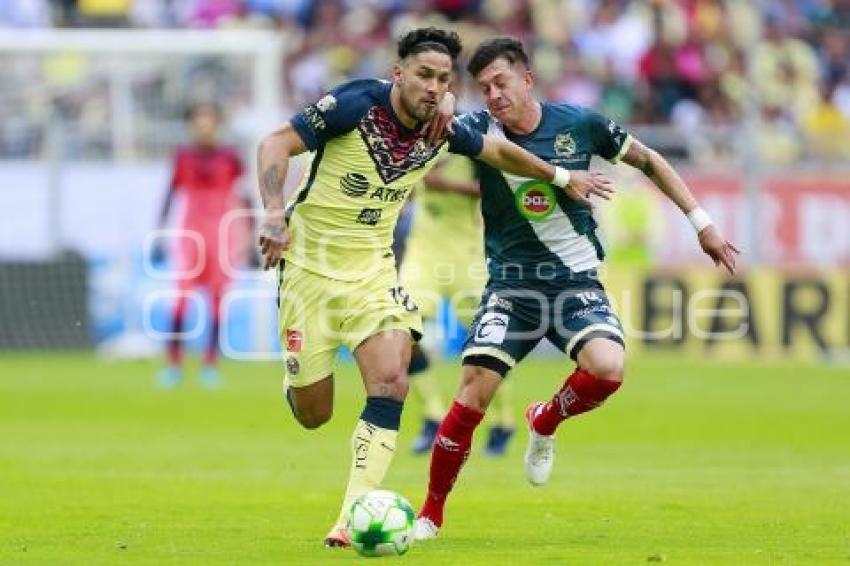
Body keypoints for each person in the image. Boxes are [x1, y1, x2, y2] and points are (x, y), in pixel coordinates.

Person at [255, 28, 613, 548]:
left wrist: (561, 177)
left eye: (444, 79)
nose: (434, 86)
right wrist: (271, 213)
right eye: (424, 74)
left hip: (373, 274)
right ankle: (298, 381)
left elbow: (500, 153)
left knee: (392, 379)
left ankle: (351, 516)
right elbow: (275, 143)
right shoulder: (355, 104)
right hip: (308, 271)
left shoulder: (443, 129)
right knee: (315, 414)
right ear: (397, 72)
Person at [414, 36, 739, 539]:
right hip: (512, 286)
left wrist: (702, 223)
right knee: (473, 392)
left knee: (608, 370)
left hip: (574, 281)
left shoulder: (580, 123)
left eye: (501, 82)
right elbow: (445, 115)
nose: (494, 94)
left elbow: (650, 160)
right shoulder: (480, 129)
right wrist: (455, 99)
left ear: (527, 78)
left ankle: (545, 419)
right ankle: (430, 514)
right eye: (484, 88)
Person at [402, 150, 517, 457]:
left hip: (466, 256)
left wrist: (446, 185)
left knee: (486, 343)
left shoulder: (469, 147)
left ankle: (503, 421)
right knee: (402, 331)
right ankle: (432, 416)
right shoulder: (414, 146)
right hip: (423, 254)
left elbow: (499, 189)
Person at [154, 102, 248, 389]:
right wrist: (159, 232)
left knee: (219, 299)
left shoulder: (231, 157)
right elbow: (171, 192)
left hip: (222, 233)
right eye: (198, 122)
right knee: (181, 297)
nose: (203, 128)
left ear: (217, 125)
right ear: (192, 126)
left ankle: (210, 364)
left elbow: (244, 196)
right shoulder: (182, 156)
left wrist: (255, 238)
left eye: (208, 122)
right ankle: (173, 363)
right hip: (190, 233)